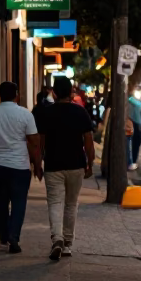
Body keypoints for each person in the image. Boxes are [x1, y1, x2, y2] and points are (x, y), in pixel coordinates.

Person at [36, 76, 95, 262]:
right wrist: (90, 163)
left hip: (53, 165)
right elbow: (88, 141)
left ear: (54, 92)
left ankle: (57, 238)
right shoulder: (80, 112)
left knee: (55, 202)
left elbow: (40, 143)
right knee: (71, 204)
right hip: (76, 164)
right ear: (71, 92)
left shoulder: (46, 113)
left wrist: (38, 164)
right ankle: (68, 244)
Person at [0, 81, 42, 253]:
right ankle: (13, 236)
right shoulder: (25, 114)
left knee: (0, 203)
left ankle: (3, 234)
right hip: (19, 167)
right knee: (19, 203)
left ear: (0, 95)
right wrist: (37, 166)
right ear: (17, 94)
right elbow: (35, 142)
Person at [127, 90, 141, 170]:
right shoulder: (136, 103)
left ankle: (132, 162)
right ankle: (132, 162)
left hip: (134, 126)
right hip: (136, 126)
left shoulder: (131, 102)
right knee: (134, 146)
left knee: (131, 145)